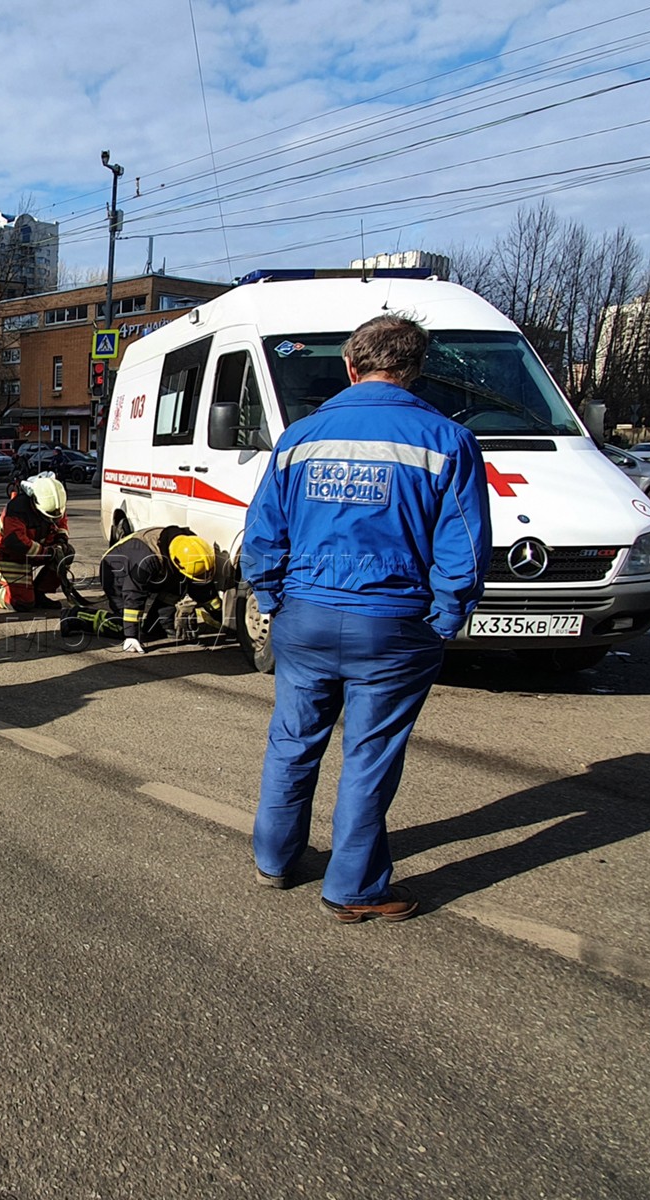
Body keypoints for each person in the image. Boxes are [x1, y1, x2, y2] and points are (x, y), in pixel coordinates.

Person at [241, 313, 489, 922]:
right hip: (394, 624)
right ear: (414, 372)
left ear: (350, 367)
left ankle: (274, 860)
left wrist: (273, 601)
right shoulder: (446, 440)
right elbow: (463, 547)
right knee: (370, 755)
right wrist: (445, 618)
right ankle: (353, 888)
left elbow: (262, 535)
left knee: (292, 743)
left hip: (305, 614)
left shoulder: (300, 438)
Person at [61, 526, 228, 651]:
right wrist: (131, 636)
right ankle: (74, 616)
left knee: (176, 587)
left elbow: (201, 589)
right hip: (116, 573)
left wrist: (224, 620)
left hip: (157, 569)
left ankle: (160, 624)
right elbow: (133, 596)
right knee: (122, 625)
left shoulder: (190, 549)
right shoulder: (145, 561)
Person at [0, 474, 74, 610]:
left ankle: (39, 593)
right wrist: (47, 552)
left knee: (67, 552)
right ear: (35, 501)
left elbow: (61, 524)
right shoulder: (16, 510)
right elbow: (17, 543)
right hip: (9, 556)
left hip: (37, 551)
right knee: (22, 603)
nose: (52, 518)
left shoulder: (54, 504)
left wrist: (60, 541)